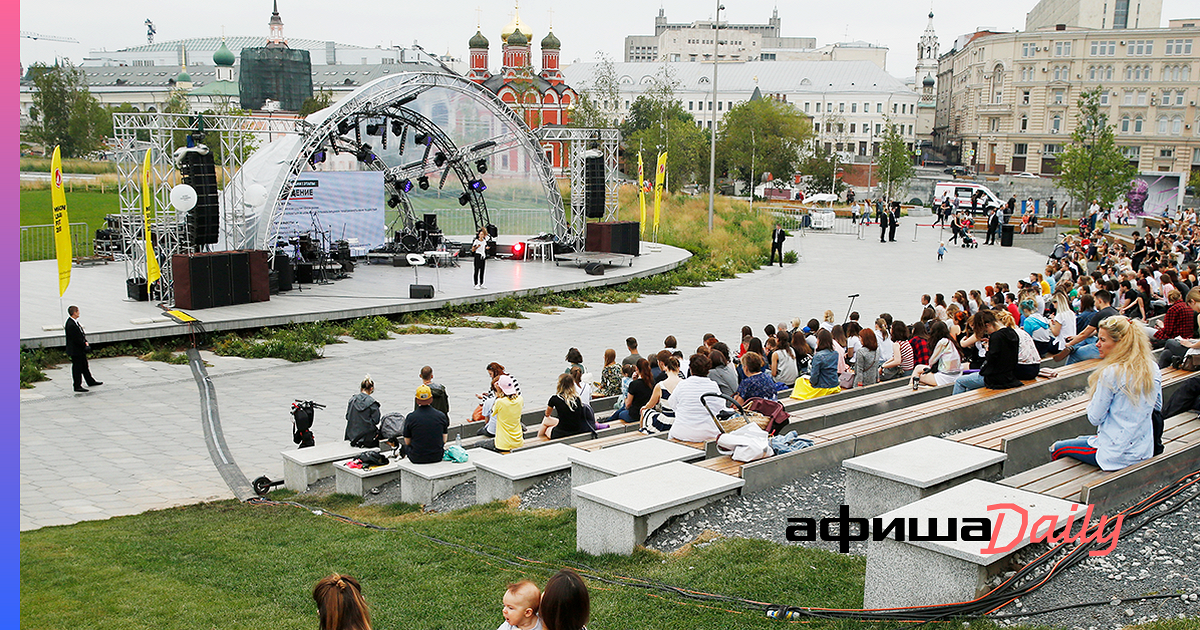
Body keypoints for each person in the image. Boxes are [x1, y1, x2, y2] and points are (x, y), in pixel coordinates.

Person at [1050, 316, 1161, 470]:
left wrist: (1092, 401)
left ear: (1120, 343)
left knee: (1057, 448)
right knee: (1082, 439)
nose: (1097, 344)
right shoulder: (1152, 368)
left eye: (1102, 340)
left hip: (1114, 454)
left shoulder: (1111, 373)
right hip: (1142, 450)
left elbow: (1095, 418)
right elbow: (1157, 406)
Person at [952, 310, 1022, 394]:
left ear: (987, 325)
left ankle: (958, 407)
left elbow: (991, 361)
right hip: (1010, 375)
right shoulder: (1011, 332)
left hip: (996, 378)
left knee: (959, 381)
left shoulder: (996, 336)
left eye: (985, 330)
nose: (986, 332)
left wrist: (987, 349)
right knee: (971, 387)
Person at [667, 354, 726, 442]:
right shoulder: (713, 385)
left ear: (690, 369)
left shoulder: (682, 384)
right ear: (708, 371)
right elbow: (720, 407)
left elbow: (672, 403)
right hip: (707, 432)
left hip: (681, 431)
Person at [1058, 290, 1119, 364]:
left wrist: (1069, 344)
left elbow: (1084, 334)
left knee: (1075, 355)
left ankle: (1065, 372)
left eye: (1095, 301)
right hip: (1114, 345)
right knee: (1088, 338)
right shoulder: (1115, 312)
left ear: (1100, 301)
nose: (1094, 304)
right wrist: (1076, 337)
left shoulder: (1100, 314)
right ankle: (1073, 347)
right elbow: (1095, 331)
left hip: (1103, 347)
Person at [403, 385, 449, 464]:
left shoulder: (411, 417)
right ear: (431, 399)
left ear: (417, 400)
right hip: (437, 456)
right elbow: (444, 440)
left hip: (416, 458)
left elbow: (407, 442)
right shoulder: (441, 415)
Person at [538, 373, 590, 440]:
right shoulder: (577, 398)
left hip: (562, 432)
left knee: (546, 424)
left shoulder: (555, 399)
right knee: (561, 421)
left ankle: (538, 440)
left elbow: (547, 414)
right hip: (577, 429)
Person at [791, 329, 840, 400]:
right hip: (834, 384)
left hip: (823, 386)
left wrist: (812, 383)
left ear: (820, 340)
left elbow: (814, 376)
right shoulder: (835, 353)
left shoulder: (818, 356)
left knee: (799, 381)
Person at [912, 321, 962, 387]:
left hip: (945, 378)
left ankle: (910, 388)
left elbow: (932, 361)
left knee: (917, 375)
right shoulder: (951, 341)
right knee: (919, 368)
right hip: (956, 374)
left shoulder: (942, 342)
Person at [64, 305, 101, 392]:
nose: (79, 313)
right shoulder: (71, 324)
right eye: (77, 311)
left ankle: (90, 381)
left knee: (84, 366)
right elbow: (76, 339)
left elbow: (81, 335)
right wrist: (84, 344)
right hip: (76, 350)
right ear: (74, 313)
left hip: (79, 349)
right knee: (77, 368)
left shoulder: (75, 322)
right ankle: (77, 385)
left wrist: (85, 341)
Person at [609, 358, 654, 423]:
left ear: (637, 369)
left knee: (621, 413)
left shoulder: (634, 384)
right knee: (622, 410)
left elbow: (628, 404)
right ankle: (608, 420)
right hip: (648, 413)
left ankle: (608, 420)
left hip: (635, 415)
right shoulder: (652, 382)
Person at [490, 375, 524, 451]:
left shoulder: (500, 402)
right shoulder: (520, 399)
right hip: (518, 441)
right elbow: (515, 395)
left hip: (503, 444)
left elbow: (493, 411)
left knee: (479, 444)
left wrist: (498, 392)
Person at [345, 375, 381, 447]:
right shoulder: (372, 403)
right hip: (367, 437)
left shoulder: (352, 400)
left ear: (361, 388)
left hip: (351, 435)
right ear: (371, 389)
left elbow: (347, 416)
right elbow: (376, 421)